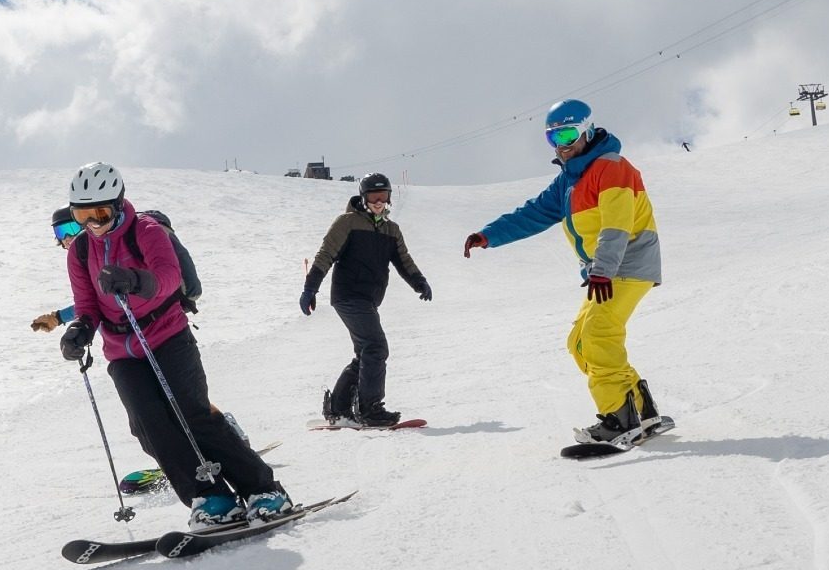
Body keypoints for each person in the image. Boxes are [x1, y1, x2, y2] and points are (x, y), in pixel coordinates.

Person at [57, 162, 292, 530]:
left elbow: (168, 277)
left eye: (99, 214)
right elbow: (86, 304)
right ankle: (211, 498)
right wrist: (81, 330)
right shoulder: (80, 251)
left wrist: (134, 280)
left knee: (192, 414)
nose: (92, 224)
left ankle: (264, 489)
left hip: (167, 337)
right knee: (149, 427)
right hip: (122, 352)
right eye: (81, 216)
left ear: (117, 205)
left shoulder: (146, 231)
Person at [463, 100, 664, 442]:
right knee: (580, 343)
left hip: (626, 264)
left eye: (568, 135)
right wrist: (488, 235)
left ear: (587, 130)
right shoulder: (568, 181)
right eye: (553, 138)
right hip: (605, 272)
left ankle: (620, 419)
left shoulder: (612, 167)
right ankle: (641, 411)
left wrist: (602, 270)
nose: (561, 145)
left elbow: (616, 224)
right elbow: (533, 213)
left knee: (598, 336)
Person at [301, 172, 431, 428]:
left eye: (383, 196)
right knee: (376, 347)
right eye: (373, 197)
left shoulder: (391, 230)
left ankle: (338, 409)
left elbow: (404, 260)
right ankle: (370, 409)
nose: (379, 202)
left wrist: (420, 281)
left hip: (369, 300)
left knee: (365, 353)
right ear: (363, 198)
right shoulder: (347, 223)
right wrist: (310, 289)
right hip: (349, 295)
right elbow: (326, 254)